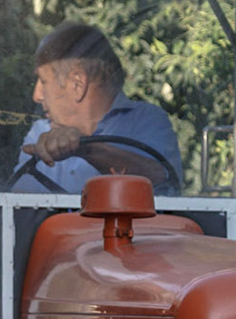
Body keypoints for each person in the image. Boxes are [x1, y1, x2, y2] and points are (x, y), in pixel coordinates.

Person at [14, 22, 182, 193]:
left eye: (43, 81)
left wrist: (85, 147)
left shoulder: (147, 120)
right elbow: (19, 203)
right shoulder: (41, 132)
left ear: (78, 84)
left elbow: (161, 180)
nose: (37, 96)